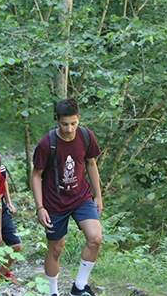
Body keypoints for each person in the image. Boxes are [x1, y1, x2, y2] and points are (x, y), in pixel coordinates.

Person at [31, 98, 103, 296]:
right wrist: (40, 207)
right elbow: (36, 175)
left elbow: (91, 164)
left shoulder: (86, 136)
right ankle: (52, 292)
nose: (69, 129)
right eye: (64, 124)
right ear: (57, 120)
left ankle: (79, 287)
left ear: (79, 119)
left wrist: (98, 196)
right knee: (56, 249)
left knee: (95, 238)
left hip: (81, 197)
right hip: (54, 203)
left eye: (73, 123)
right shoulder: (47, 143)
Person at [0, 151, 22, 286]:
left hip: (1, 209)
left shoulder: (0, 169)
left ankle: (2, 273)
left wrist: (8, 201)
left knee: (16, 245)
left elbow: (4, 181)